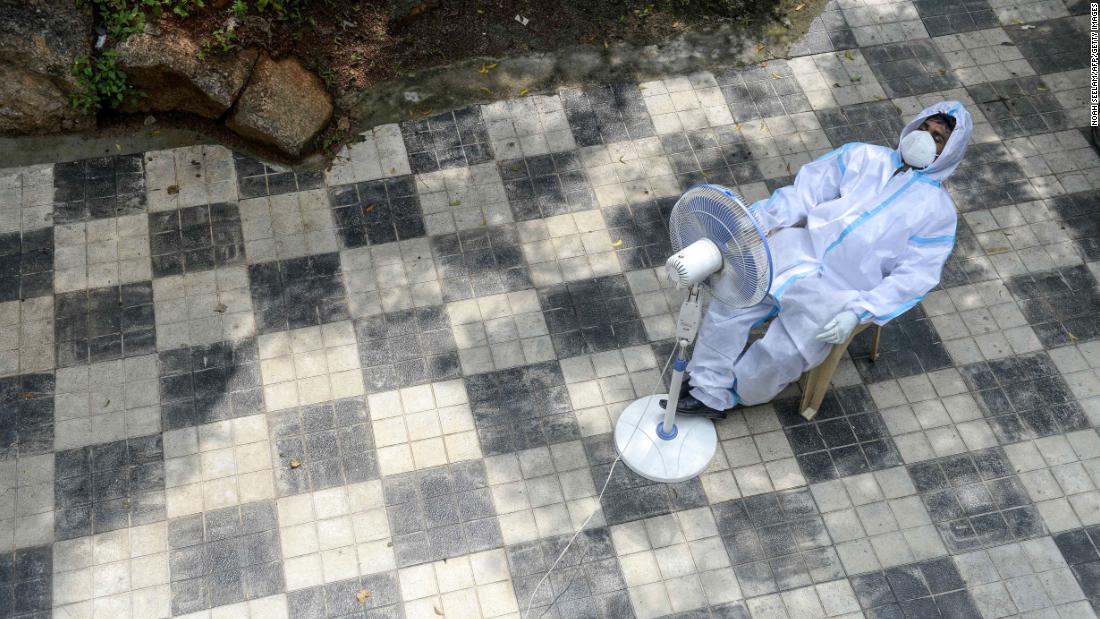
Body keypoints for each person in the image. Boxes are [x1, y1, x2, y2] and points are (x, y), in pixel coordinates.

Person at [677, 101, 971, 419]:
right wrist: (754, 223)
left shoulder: (937, 213)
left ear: (950, 152)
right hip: (799, 249)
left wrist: (861, 310)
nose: (925, 139)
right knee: (732, 301)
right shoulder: (862, 156)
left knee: (786, 349)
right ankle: (706, 386)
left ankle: (733, 394)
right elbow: (803, 193)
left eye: (938, 138)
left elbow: (915, 277)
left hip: (843, 289)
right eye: (924, 129)